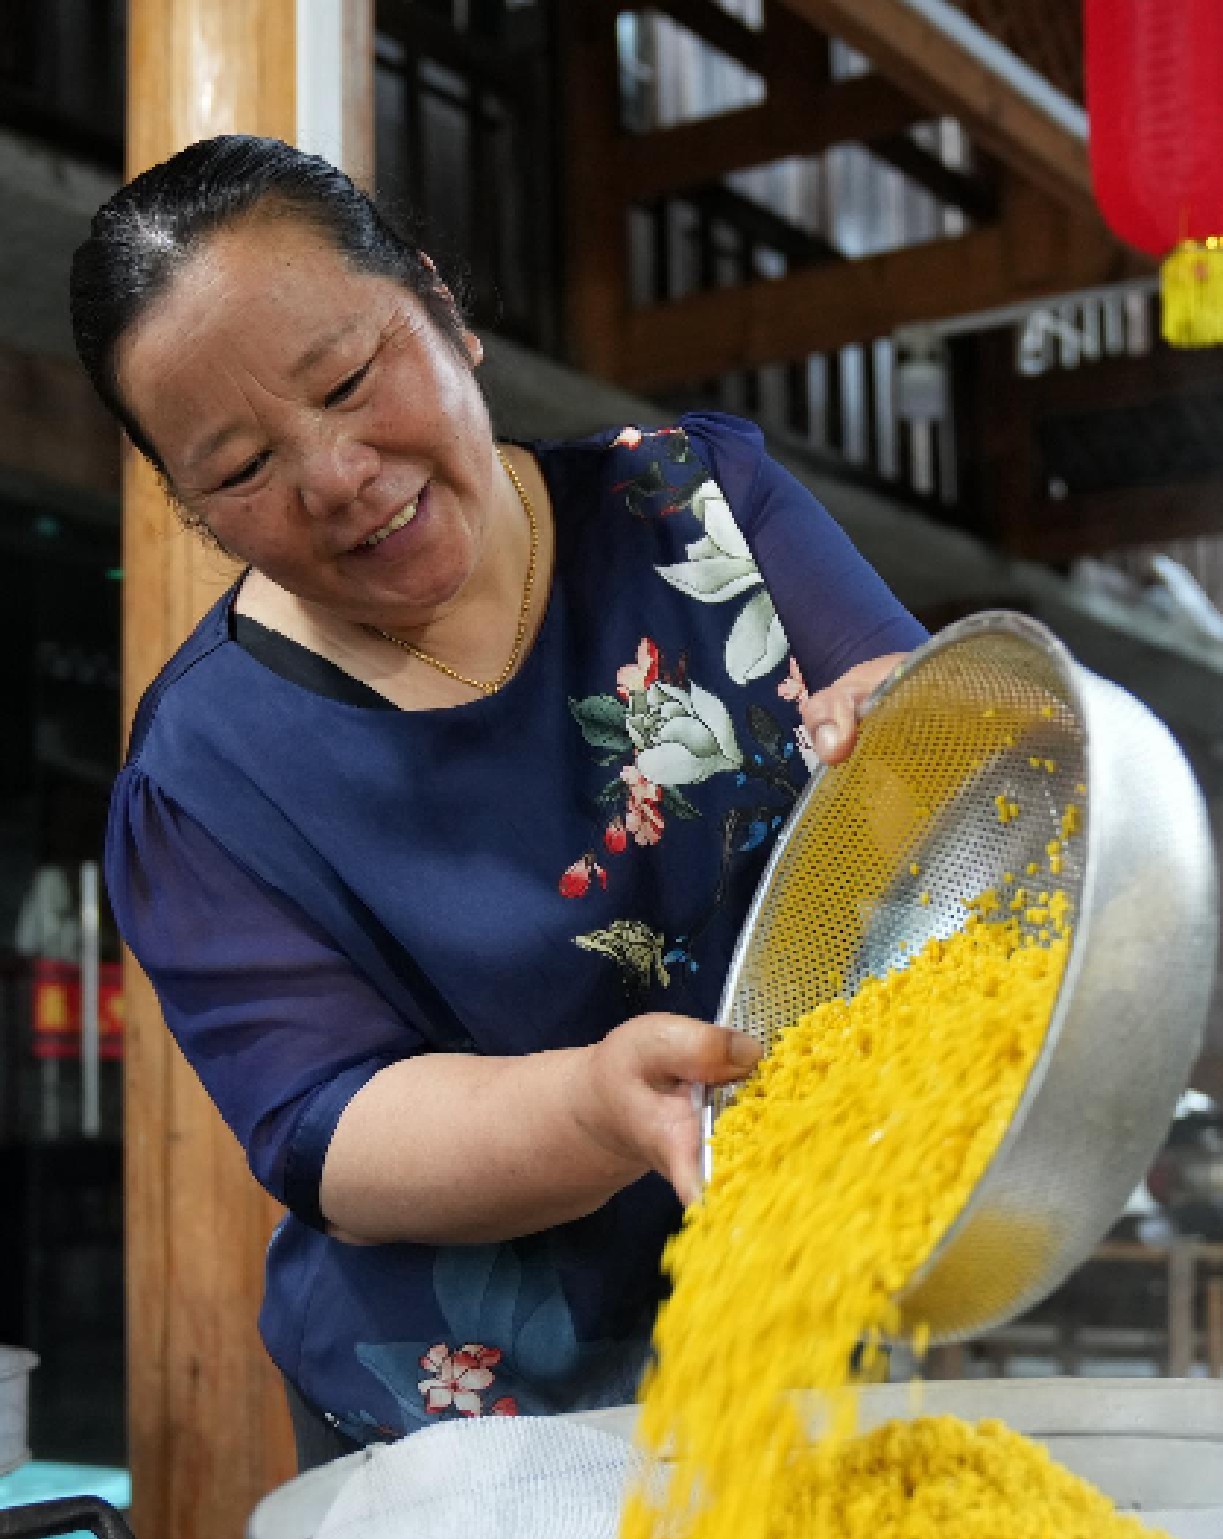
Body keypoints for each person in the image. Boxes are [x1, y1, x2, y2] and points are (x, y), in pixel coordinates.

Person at [70, 135, 927, 1468]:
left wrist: (920, 736)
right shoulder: (205, 773)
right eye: (241, 469)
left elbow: (931, 760)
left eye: (351, 379)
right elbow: (330, 1130)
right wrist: (594, 1107)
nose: (336, 476)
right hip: (469, 1427)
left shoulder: (701, 512)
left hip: (811, 1304)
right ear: (192, 509)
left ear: (440, 307)